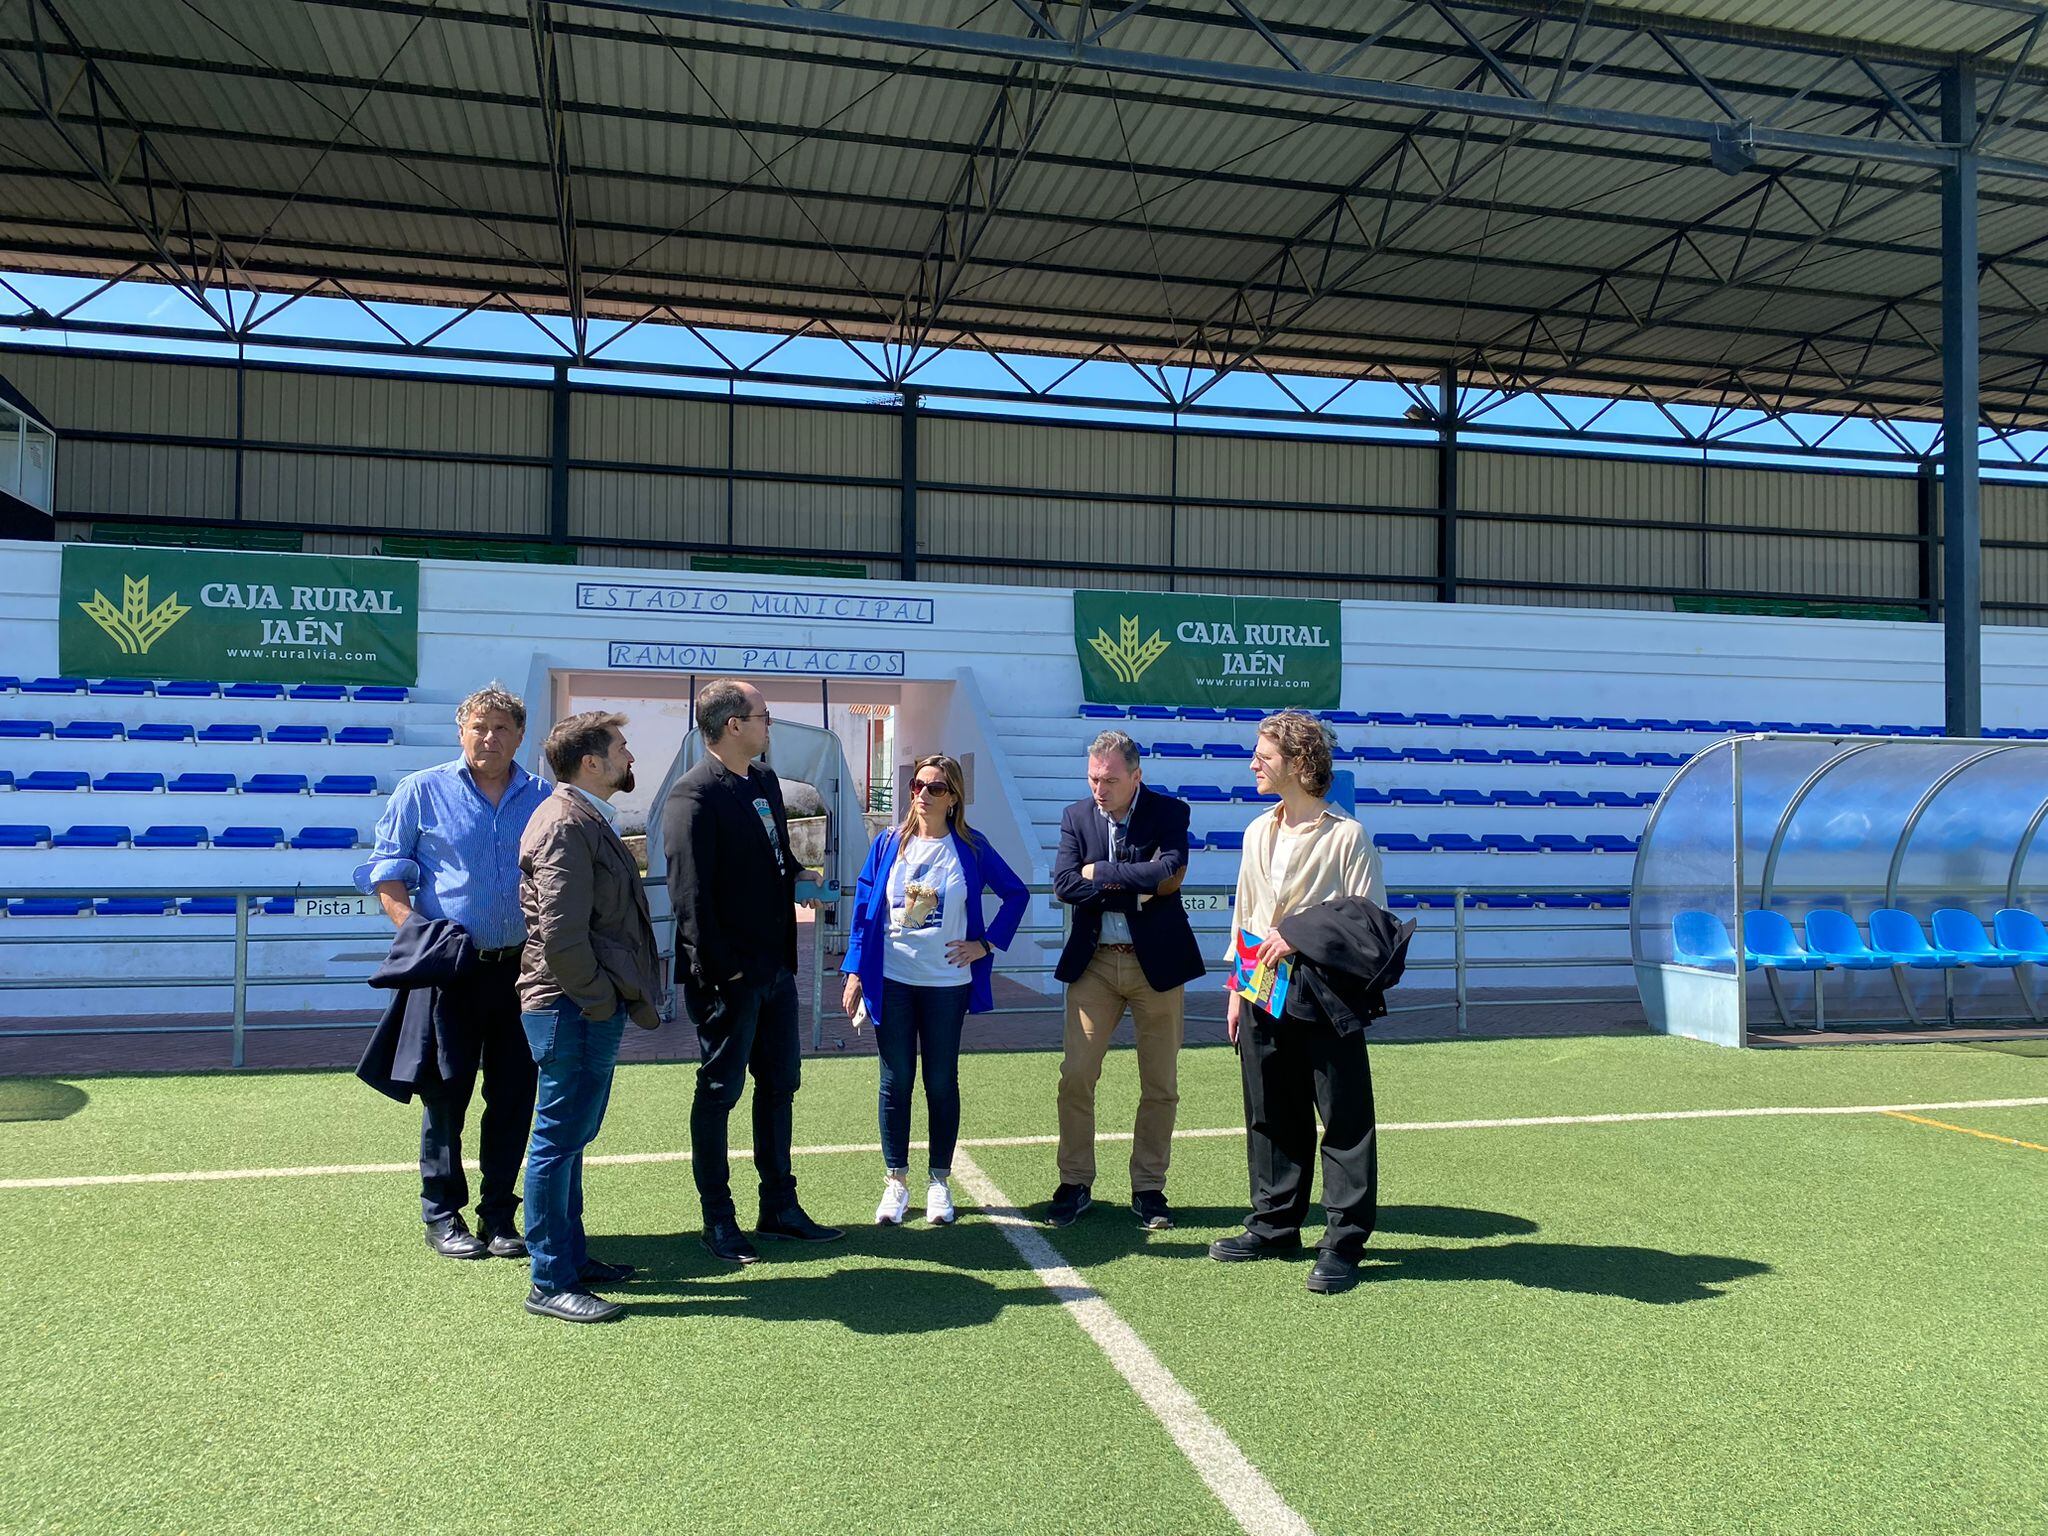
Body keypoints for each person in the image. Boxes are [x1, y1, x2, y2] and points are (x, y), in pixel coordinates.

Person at [355, 683, 545, 1261]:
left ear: (519, 735)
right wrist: (421, 936)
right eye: (479, 727)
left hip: (522, 970)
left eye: (502, 729)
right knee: (445, 1094)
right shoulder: (422, 790)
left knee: (514, 1095)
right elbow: (385, 875)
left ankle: (499, 1215)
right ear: (461, 730)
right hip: (450, 972)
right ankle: (442, 1215)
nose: (489, 738)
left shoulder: (543, 795)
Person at [664, 678, 843, 1264]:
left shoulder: (764, 782)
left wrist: (801, 878)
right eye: (764, 716)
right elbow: (691, 900)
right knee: (719, 1093)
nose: (772, 724)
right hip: (730, 979)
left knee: (780, 1087)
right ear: (733, 725)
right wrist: (726, 976)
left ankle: (780, 1208)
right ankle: (718, 1219)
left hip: (776, 970)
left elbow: (777, 859)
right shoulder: (692, 797)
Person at [1212, 710, 1386, 1296]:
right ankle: (1274, 1223)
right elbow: (1245, 917)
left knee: (1344, 1120)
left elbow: (1370, 922)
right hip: (1261, 991)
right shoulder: (1256, 830)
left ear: (1299, 761)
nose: (1253, 763)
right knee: (1269, 1112)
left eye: (1263, 754)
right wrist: (1236, 990)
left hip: (1325, 996)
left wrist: (1302, 935)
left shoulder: (1348, 836)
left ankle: (1343, 1242)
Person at [516, 711, 663, 1324]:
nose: (630, 757)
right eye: (621, 749)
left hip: (581, 1005)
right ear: (591, 763)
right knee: (556, 1142)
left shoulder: (580, 817)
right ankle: (549, 1280)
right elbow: (561, 935)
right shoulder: (563, 824)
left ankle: (570, 1259)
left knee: (571, 1137)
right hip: (571, 1005)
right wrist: (602, 1000)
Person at [841, 753, 1029, 1226]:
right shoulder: (887, 843)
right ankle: (896, 1184)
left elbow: (1016, 894)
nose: (923, 794)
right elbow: (866, 910)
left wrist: (985, 944)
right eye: (917, 786)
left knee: (941, 1081)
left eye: (936, 787)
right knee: (895, 1080)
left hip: (947, 984)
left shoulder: (972, 846)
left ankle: (939, 1183)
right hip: (893, 981)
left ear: (954, 796)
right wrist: (855, 970)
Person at [1048, 730, 1206, 1230]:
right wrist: (1135, 889)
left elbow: (1170, 870)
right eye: (1094, 778)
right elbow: (1065, 885)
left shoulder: (1170, 812)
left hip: (1154, 964)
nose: (1100, 788)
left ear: (1136, 776)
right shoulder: (1076, 816)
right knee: (1076, 1074)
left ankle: (1149, 1188)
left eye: (1110, 780)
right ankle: (1075, 1182)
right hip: (1094, 964)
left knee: (1159, 1083)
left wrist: (1103, 874)